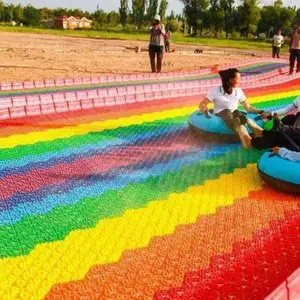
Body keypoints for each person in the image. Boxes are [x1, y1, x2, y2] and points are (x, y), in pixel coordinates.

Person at [199, 68, 264, 148]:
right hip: (220, 114)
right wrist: (204, 109)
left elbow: (248, 107)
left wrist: (261, 112)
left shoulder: (239, 91)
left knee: (238, 113)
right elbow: (202, 104)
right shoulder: (216, 90)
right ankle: (236, 127)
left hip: (233, 115)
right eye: (238, 78)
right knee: (227, 112)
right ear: (230, 79)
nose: (240, 81)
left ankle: (247, 131)